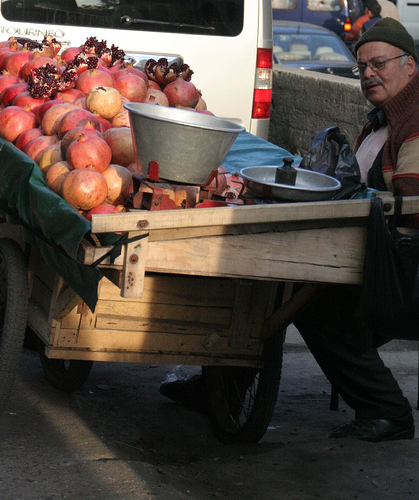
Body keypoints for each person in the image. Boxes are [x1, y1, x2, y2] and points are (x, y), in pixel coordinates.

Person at [160, 18, 417, 442]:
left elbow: (411, 210)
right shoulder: (381, 120)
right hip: (367, 250)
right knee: (272, 276)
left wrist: (367, 206)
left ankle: (388, 411)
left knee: (309, 298)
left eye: (380, 63)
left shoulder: (416, 121)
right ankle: (224, 386)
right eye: (362, 67)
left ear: (410, 65)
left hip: (403, 269)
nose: (369, 74)